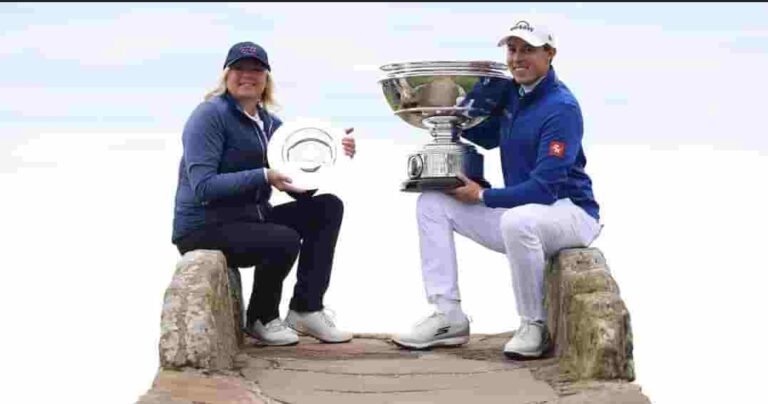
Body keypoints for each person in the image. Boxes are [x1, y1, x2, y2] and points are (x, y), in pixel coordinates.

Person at [392, 21, 602, 359]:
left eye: (528, 50)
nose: (517, 58)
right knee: (432, 202)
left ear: (550, 54)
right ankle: (448, 316)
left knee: (517, 221)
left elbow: (545, 188)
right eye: (512, 50)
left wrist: (483, 196)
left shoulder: (561, 107)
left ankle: (533, 324)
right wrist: (459, 105)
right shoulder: (515, 96)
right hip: (523, 212)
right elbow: (485, 135)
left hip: (572, 213)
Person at [171, 41, 357, 346]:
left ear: (266, 77)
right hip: (203, 227)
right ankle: (261, 318)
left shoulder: (271, 125)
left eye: (256, 69)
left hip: (250, 219)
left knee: (327, 208)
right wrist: (263, 175)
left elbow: (298, 187)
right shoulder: (209, 116)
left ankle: (306, 310)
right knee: (281, 238)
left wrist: (334, 153)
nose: (248, 75)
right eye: (240, 69)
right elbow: (203, 187)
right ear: (226, 75)